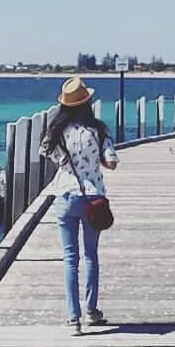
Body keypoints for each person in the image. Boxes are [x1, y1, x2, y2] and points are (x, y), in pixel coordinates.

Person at [40, 75, 119, 334]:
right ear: (87, 102)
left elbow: (51, 156)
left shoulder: (56, 131)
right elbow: (112, 162)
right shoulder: (98, 130)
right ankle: (92, 311)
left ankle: (73, 319)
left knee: (70, 259)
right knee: (91, 256)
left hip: (64, 195)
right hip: (92, 197)